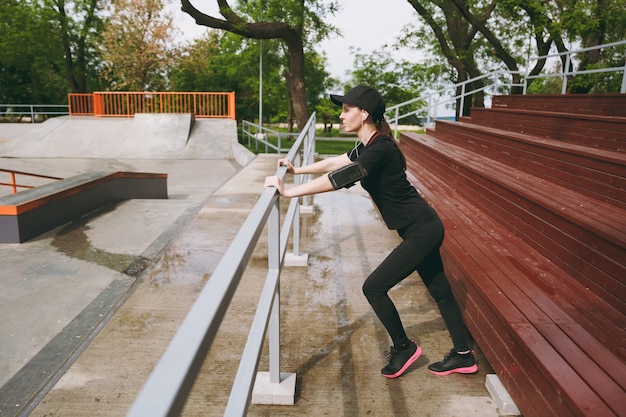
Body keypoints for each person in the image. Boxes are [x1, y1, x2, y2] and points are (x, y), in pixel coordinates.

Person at [264, 85, 478, 379]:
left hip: (422, 230)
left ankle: (403, 348)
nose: (341, 116)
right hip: (421, 227)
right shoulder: (369, 145)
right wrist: (296, 170)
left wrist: (289, 193)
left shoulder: (381, 148)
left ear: (364, 114)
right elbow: (337, 162)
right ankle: (464, 357)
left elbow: (341, 178)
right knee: (441, 293)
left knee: (373, 287)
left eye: (346, 109)